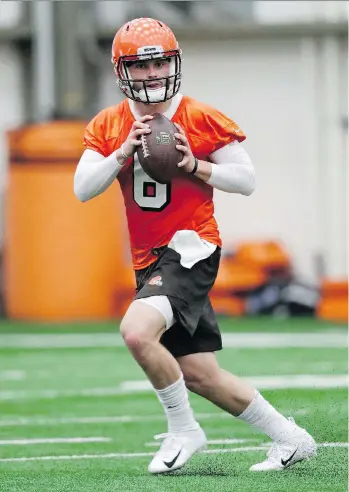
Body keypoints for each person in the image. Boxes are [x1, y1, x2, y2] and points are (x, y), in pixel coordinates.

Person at [74, 17, 316, 474]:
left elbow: (246, 180)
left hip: (191, 248)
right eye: (139, 66)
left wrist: (196, 166)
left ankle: (183, 429)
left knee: (135, 330)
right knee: (200, 374)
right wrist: (123, 150)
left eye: (159, 62)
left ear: (174, 62)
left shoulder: (200, 117)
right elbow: (83, 188)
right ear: (120, 70)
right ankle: (291, 438)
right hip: (149, 262)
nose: (151, 74)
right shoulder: (108, 125)